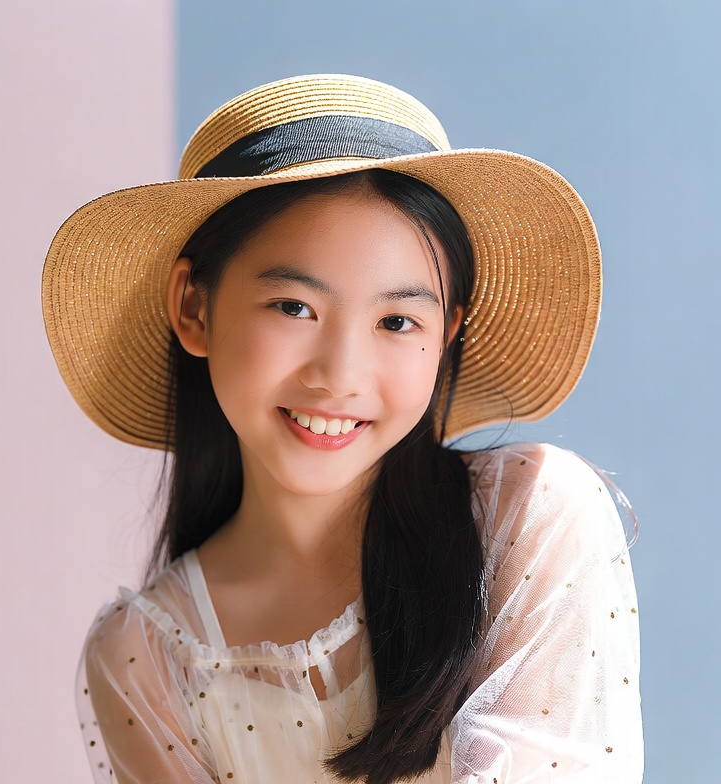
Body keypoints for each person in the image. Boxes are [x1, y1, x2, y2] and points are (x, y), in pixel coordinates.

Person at [43, 74, 642, 784]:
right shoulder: (144, 653)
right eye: (294, 307)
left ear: (448, 335)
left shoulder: (530, 516)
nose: (341, 374)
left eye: (397, 322)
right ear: (193, 307)